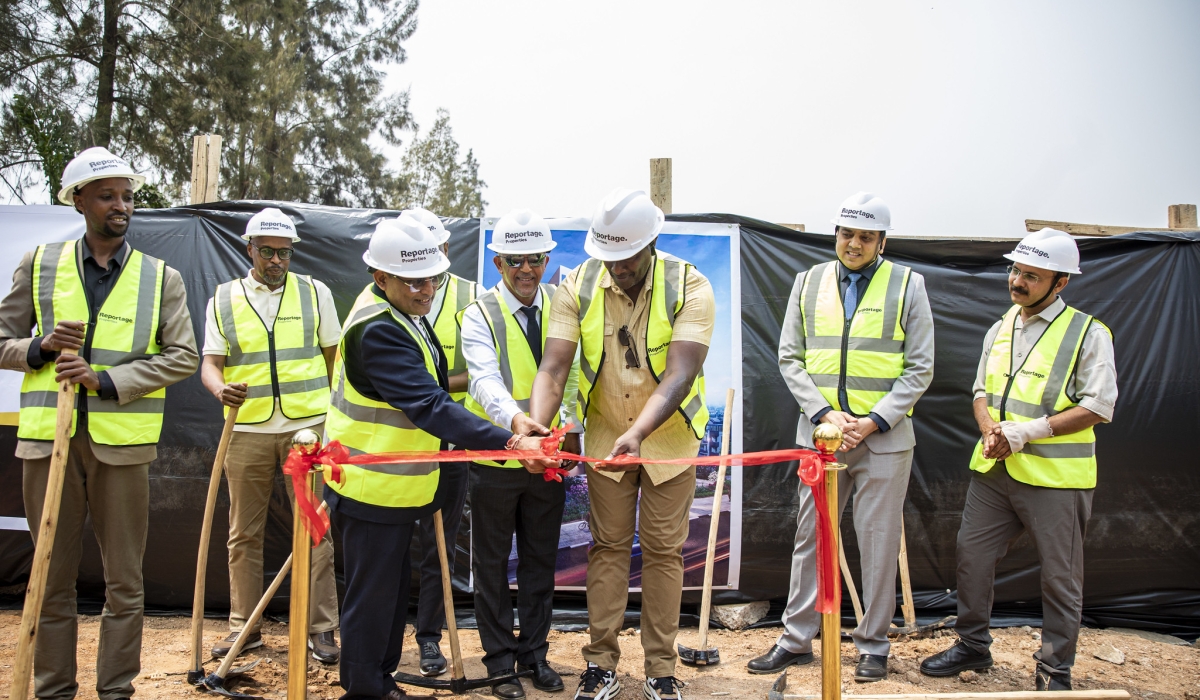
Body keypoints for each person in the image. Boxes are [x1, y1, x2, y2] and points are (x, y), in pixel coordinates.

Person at [323, 214, 550, 700]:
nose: (426, 290)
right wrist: (511, 440)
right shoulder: (379, 330)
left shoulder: (405, 313)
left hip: (396, 486)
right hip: (371, 489)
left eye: (432, 278)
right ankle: (364, 689)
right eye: (413, 281)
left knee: (386, 597)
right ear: (380, 278)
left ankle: (381, 680)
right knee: (370, 601)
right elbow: (430, 405)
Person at [0, 147, 198, 700]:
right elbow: (1, 343)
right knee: (50, 578)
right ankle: (54, 689)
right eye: (107, 195)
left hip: (123, 448)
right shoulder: (39, 263)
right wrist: (39, 346)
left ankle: (116, 690)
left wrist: (104, 381)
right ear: (79, 201)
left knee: (124, 584)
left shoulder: (162, 279)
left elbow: (182, 357)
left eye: (127, 196)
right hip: (48, 445)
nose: (121, 205)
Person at [529, 188, 715, 700]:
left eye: (627, 257)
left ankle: (660, 669)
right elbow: (554, 366)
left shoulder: (689, 285)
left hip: (669, 437)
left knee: (663, 552)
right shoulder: (578, 285)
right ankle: (601, 665)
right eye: (607, 257)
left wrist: (640, 434)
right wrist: (537, 429)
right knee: (607, 549)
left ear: (651, 243)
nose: (617, 267)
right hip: (607, 435)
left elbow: (681, 373)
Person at [748, 192, 934, 682]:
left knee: (877, 543)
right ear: (836, 234)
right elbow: (790, 358)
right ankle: (796, 640)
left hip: (884, 440)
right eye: (847, 234)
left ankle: (873, 645)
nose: (854, 244)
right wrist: (826, 414)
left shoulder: (908, 286)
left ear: (881, 242)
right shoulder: (807, 283)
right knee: (811, 538)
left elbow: (920, 369)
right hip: (823, 437)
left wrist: (872, 420)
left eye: (865, 237)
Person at [920, 228, 1116, 690]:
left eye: (1031, 275)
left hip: (1057, 478)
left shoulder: (1088, 333)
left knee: (1060, 578)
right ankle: (972, 645)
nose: (1017, 281)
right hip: (995, 469)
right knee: (972, 555)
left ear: (1061, 282)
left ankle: (1054, 669)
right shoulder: (1001, 325)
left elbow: (1099, 407)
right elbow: (980, 391)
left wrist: (1027, 432)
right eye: (1015, 270)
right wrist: (989, 428)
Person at [199, 207, 342, 662]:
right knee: (243, 533)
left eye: (284, 252)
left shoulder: (315, 293)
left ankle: (321, 628)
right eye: (268, 252)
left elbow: (334, 358)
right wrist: (220, 388)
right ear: (250, 249)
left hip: (309, 429)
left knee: (315, 529)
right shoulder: (223, 298)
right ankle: (245, 627)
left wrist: (333, 422)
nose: (277, 260)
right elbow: (210, 363)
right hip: (246, 430)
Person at [459, 209, 581, 698]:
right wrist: (517, 426)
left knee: (539, 562)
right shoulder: (479, 313)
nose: (526, 269)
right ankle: (499, 663)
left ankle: (534, 656)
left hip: (548, 460)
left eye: (535, 258)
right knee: (489, 566)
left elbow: (572, 370)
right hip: (496, 460)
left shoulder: (563, 304)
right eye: (515, 260)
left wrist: (568, 427)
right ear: (497, 262)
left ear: (547, 258)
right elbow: (485, 379)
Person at [403, 207, 486, 679]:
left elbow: (476, 370)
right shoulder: (390, 293)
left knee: (440, 542)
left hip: (452, 443)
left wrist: (427, 389)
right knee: (392, 546)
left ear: (447, 250)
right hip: (400, 443)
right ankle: (383, 635)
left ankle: (429, 636)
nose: (427, 270)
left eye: (436, 254)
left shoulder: (472, 299)